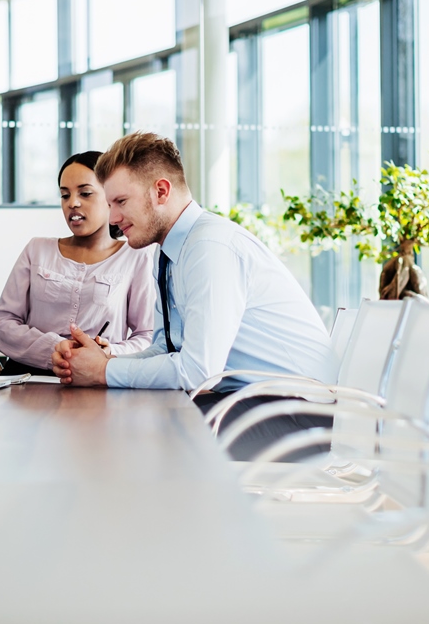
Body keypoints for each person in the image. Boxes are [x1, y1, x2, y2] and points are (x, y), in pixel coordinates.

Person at [51, 132, 337, 460]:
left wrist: (102, 372)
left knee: (143, 431)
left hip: (298, 420)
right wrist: (102, 362)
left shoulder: (209, 248)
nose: (113, 219)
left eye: (120, 202)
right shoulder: (169, 253)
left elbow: (199, 371)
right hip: (247, 401)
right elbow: (165, 348)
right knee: (133, 419)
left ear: (160, 191)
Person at [0, 151, 156, 377]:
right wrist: (54, 349)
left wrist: (109, 352)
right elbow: (1, 324)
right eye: (64, 195)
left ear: (111, 197)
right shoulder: (37, 250)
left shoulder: (136, 256)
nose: (73, 203)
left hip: (98, 381)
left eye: (85, 193)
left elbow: (148, 336)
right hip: (29, 379)